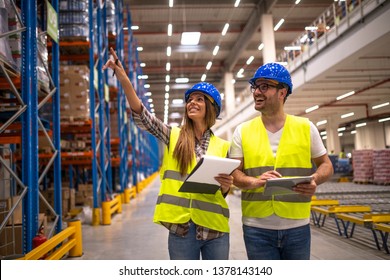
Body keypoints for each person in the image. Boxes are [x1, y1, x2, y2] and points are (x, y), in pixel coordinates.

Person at [103, 48, 234, 260]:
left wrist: (226, 187)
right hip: (181, 229)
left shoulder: (223, 146)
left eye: (199, 99)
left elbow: (222, 190)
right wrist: (124, 79)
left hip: (215, 229)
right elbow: (142, 115)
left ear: (212, 108)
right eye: (190, 99)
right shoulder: (173, 135)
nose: (192, 102)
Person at [229, 62, 334, 260]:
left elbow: (326, 165)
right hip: (256, 227)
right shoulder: (242, 131)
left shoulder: (306, 127)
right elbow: (234, 174)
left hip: (297, 226)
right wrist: (254, 181)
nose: (257, 92)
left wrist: (314, 179)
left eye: (264, 86)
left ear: (282, 92)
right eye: (256, 87)